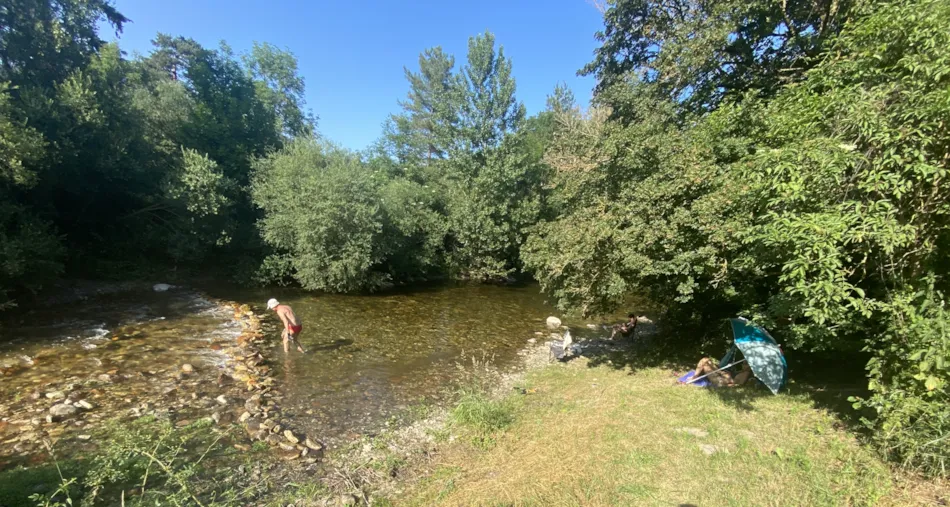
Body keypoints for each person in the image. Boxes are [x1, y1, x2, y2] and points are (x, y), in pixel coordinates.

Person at [681, 357, 752, 387]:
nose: (742, 365)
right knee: (705, 359)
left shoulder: (745, 373)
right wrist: (721, 372)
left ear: (750, 366)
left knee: (704, 363)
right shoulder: (741, 371)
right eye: (743, 363)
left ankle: (692, 378)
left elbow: (734, 384)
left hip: (720, 380)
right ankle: (694, 377)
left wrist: (726, 375)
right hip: (720, 373)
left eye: (745, 364)